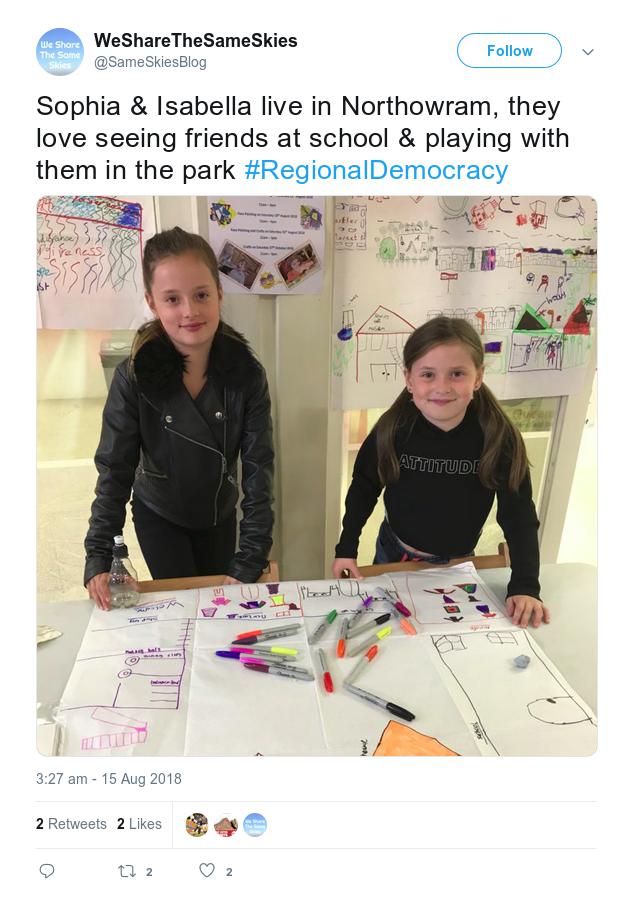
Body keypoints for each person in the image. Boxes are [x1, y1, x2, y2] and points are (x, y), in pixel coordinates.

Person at [84, 227, 274, 610]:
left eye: (201, 295)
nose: (190, 311)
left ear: (219, 295)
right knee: (182, 609)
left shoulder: (246, 376)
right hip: (160, 514)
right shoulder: (133, 377)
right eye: (173, 299)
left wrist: (251, 556)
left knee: (221, 608)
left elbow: (259, 471)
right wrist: (99, 554)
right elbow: (114, 467)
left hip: (219, 514)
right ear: (153, 303)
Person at [332, 316, 550, 629]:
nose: (442, 387)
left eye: (457, 374)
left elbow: (519, 516)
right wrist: (346, 548)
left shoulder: (499, 438)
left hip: (459, 562)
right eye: (428, 374)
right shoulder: (391, 430)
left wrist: (526, 585)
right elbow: (363, 488)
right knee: (391, 631)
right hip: (393, 553)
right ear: (409, 379)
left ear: (478, 378)